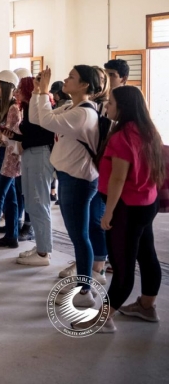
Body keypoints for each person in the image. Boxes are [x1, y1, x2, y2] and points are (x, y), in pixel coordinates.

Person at [73, 86, 165, 333]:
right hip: (147, 203)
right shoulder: (148, 131)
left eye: (111, 103)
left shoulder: (122, 136)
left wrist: (109, 212)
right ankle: (146, 306)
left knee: (122, 267)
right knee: (147, 255)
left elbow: (118, 179)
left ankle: (103, 319)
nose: (107, 107)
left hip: (127, 208)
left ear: (123, 107)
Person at [33, 65, 106, 307]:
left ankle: (85, 291)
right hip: (68, 177)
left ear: (84, 85)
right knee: (79, 234)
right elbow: (38, 118)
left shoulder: (83, 114)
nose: (65, 79)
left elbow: (45, 121)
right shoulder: (70, 107)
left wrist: (44, 92)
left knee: (79, 236)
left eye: (71, 77)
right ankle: (84, 285)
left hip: (78, 181)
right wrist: (37, 92)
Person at [11, 76, 55, 266]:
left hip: (39, 155)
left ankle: (44, 252)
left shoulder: (39, 107)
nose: (16, 92)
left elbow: (46, 136)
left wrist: (24, 142)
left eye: (20, 88)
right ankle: (40, 246)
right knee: (31, 202)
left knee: (39, 202)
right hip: (30, 154)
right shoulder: (28, 107)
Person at [0, 70, 21, 249]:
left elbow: (10, 136)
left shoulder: (13, 108)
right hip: (0, 153)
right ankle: (12, 235)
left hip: (9, 155)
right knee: (10, 197)